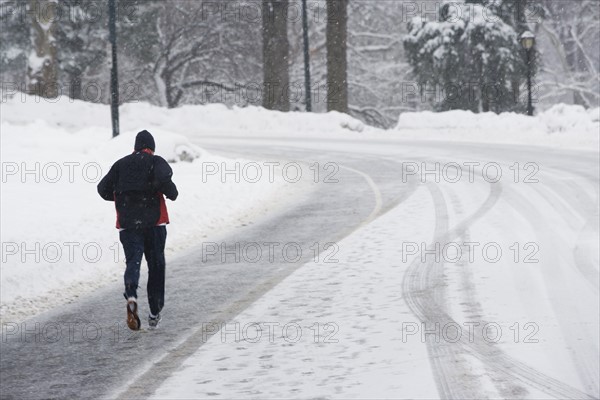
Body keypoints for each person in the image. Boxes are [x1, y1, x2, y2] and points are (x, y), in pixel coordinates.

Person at [98, 130, 178, 330]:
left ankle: (131, 293)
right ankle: (154, 312)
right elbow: (165, 180)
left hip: (128, 224)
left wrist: (124, 197)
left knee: (133, 261)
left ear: (135, 147)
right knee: (156, 266)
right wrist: (171, 192)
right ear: (152, 148)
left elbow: (103, 189)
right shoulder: (155, 161)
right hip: (154, 224)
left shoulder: (120, 164)